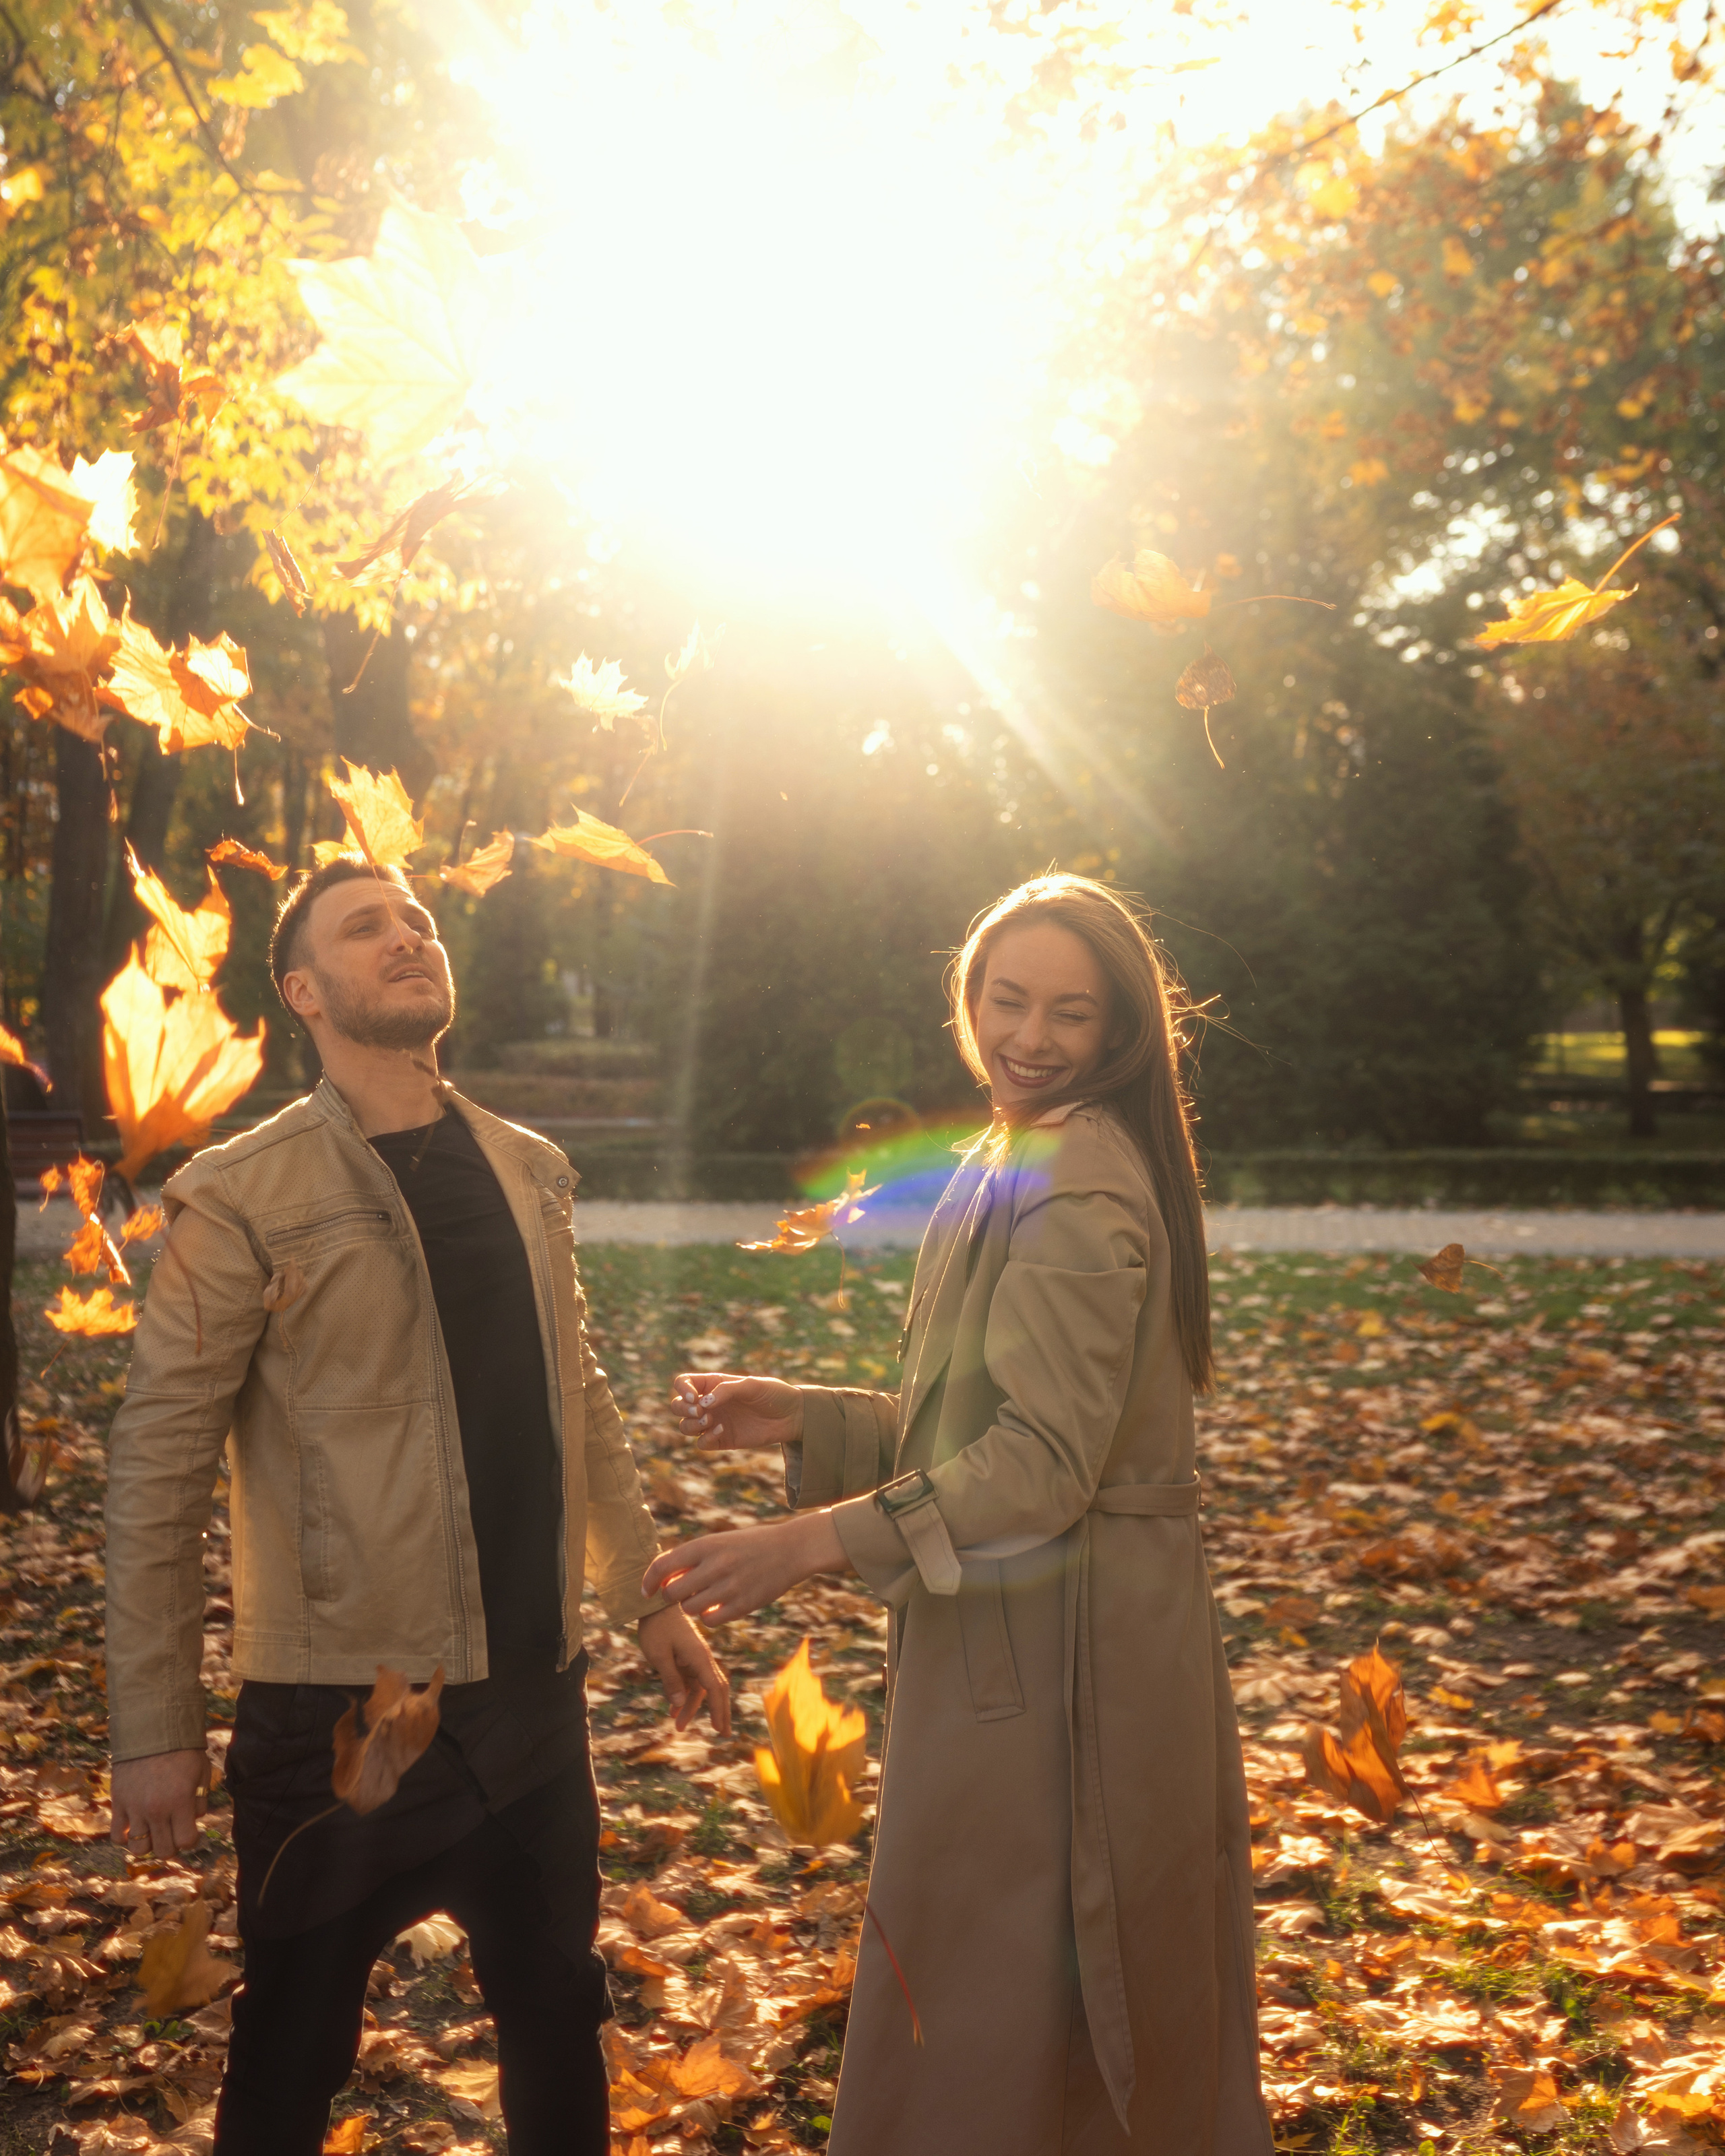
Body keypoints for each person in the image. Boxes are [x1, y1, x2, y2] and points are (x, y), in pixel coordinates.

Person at [105, 855, 728, 2156]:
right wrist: (154, 1723)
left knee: (558, 2020)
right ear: (302, 992)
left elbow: (578, 1397)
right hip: (350, 1713)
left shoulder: (527, 1167)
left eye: (419, 921)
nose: (406, 937)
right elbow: (159, 1467)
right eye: (364, 928)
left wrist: (647, 1595)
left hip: (532, 1697)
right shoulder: (241, 1193)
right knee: (289, 2058)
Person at [646, 872, 1272, 2155]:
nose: (1030, 1037)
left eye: (1071, 1013)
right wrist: (809, 1418)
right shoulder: (1018, 1149)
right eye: (1007, 1000)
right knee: (995, 1980)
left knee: (1018, 1995)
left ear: (1121, 1030)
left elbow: (1041, 1466)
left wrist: (802, 1543)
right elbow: (998, 1430)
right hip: (1034, 1627)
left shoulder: (1075, 1172)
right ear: (967, 999)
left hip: (1069, 1658)